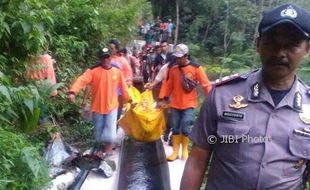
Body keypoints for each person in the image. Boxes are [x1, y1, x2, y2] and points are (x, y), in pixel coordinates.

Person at [181, 4, 310, 190]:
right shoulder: (222, 95)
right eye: (271, 42)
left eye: (291, 45)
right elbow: (197, 159)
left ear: (307, 49)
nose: (280, 52)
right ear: (258, 45)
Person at [67, 47, 131, 158]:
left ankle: (108, 151)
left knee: (110, 132)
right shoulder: (93, 72)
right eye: (102, 58)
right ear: (100, 59)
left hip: (112, 106)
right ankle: (100, 150)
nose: (105, 60)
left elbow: (124, 88)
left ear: (111, 57)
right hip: (97, 107)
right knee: (98, 132)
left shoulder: (117, 72)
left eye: (107, 57)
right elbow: (81, 80)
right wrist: (73, 92)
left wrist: (130, 100)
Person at [158, 44, 212, 161]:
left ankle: (185, 150)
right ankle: (175, 152)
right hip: (176, 103)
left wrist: (211, 99)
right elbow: (168, 85)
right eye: (176, 57)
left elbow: (206, 84)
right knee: (176, 128)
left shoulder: (196, 68)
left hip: (189, 103)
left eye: (180, 57)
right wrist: (162, 98)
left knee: (186, 126)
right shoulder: (173, 69)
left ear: (186, 56)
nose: (177, 60)